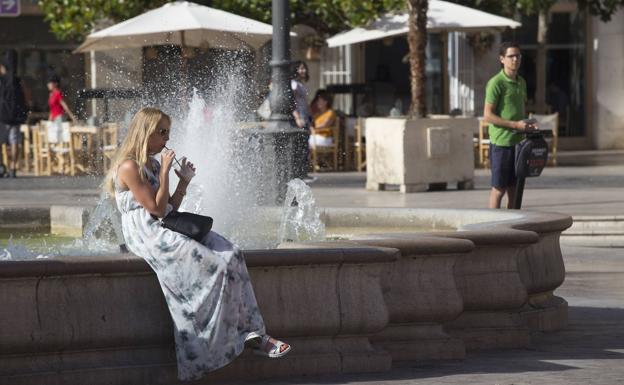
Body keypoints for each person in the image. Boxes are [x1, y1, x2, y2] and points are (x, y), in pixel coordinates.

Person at [102, 107, 291, 381]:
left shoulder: (153, 164)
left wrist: (184, 182)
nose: (167, 138)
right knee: (213, 266)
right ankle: (212, 346)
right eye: (162, 132)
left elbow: (169, 208)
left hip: (167, 224)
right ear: (146, 132)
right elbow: (155, 210)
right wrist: (166, 171)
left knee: (232, 255)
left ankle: (255, 334)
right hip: (148, 233)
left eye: (168, 131)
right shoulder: (130, 167)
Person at [483, 42, 537, 209]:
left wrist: (527, 125)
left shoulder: (521, 82)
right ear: (502, 59)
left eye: (518, 56)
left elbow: (518, 110)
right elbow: (488, 115)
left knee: (515, 189)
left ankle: (512, 227)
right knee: (499, 189)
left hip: (519, 144)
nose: (515, 59)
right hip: (501, 144)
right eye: (511, 56)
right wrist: (515, 125)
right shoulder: (496, 83)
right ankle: (492, 227)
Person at [0, 49, 28, 178]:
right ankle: (12, 168)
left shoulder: (2, 81)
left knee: (1, 142)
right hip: (16, 116)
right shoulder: (17, 80)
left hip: (3, 116)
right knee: (14, 141)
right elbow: (26, 96)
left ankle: (1, 166)